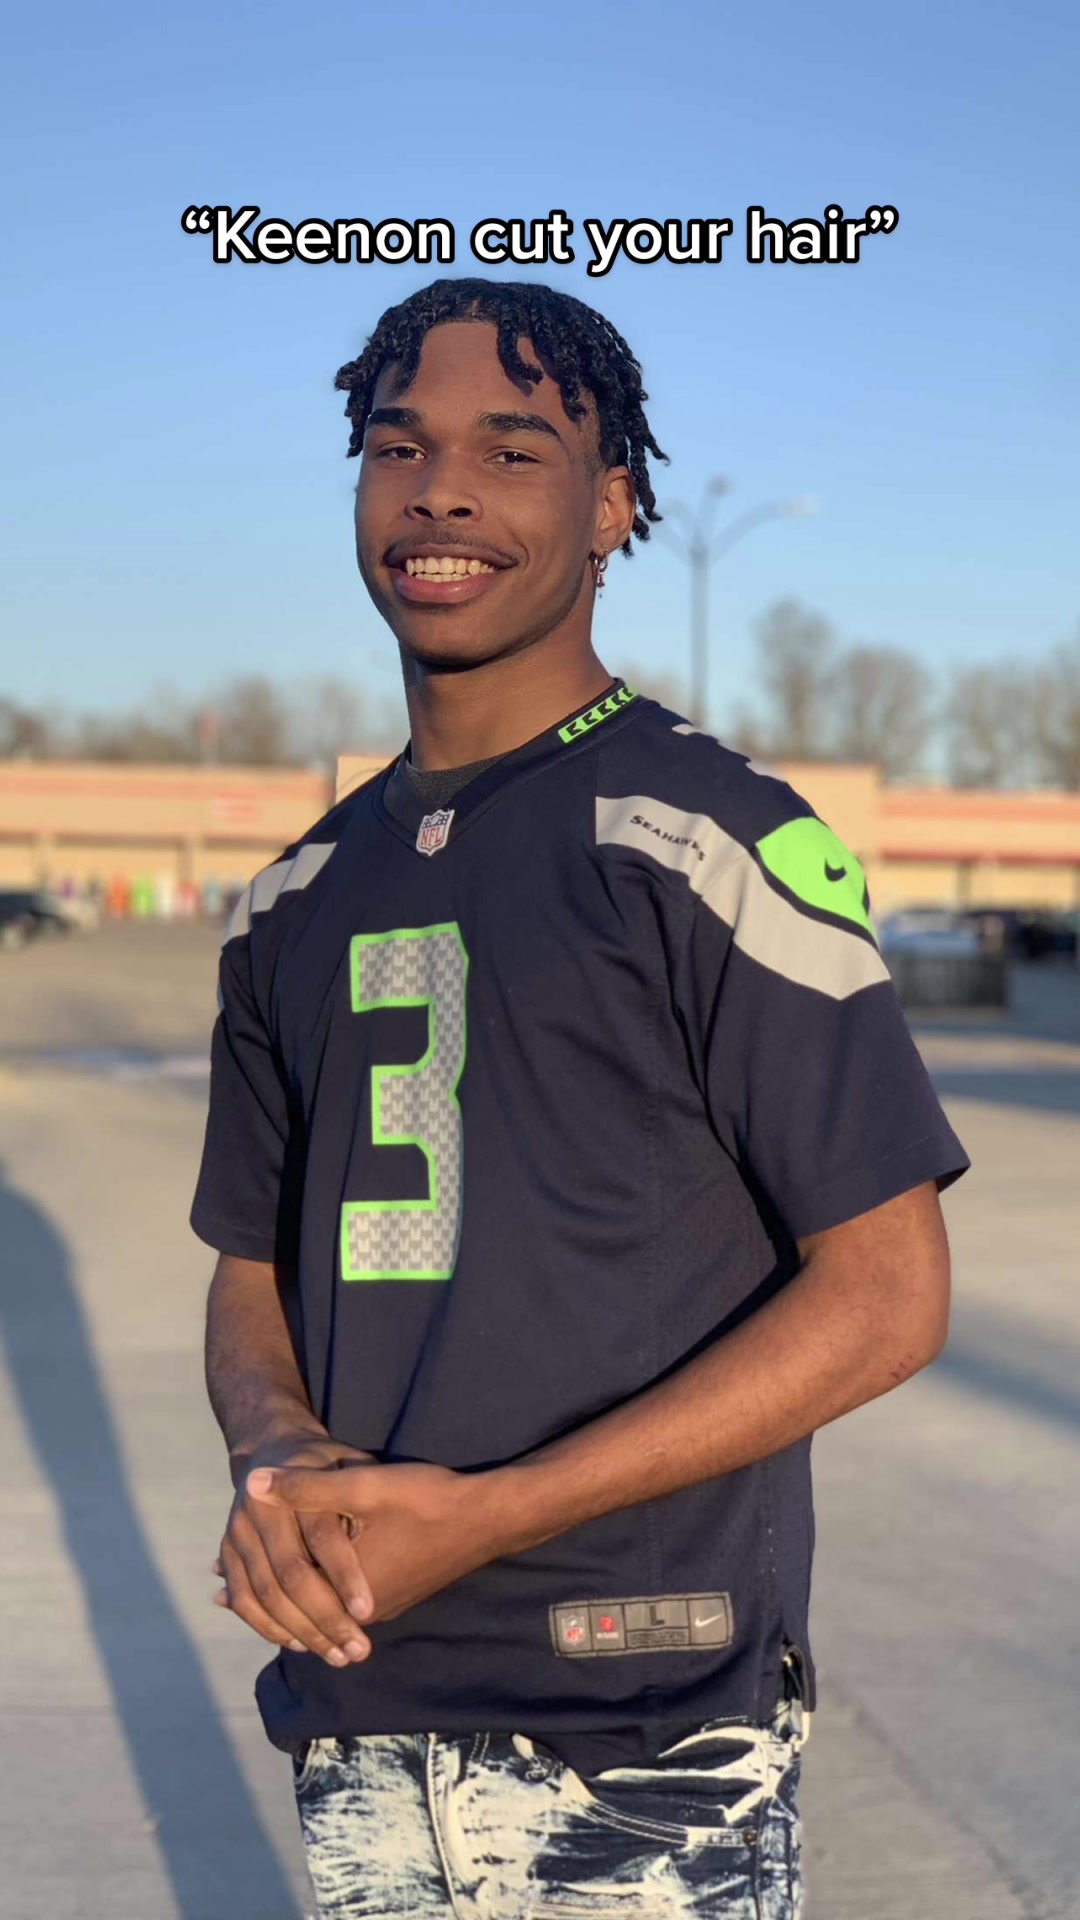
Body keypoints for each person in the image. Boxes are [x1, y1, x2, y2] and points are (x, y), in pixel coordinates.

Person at [192, 278, 968, 1919]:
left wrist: (490, 1517)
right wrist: (278, 1461)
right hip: (366, 1700)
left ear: (614, 506)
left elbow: (889, 1296)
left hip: (645, 1721)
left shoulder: (714, 839)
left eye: (511, 450)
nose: (441, 492)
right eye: (398, 447)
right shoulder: (289, 903)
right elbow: (249, 1270)